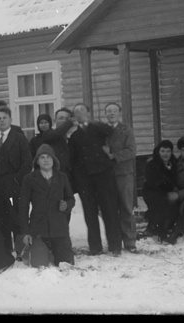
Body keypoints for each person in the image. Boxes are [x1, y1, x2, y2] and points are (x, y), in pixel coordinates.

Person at [69, 103, 122, 256]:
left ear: (88, 112)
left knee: (109, 210)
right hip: (85, 178)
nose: (79, 113)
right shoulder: (74, 136)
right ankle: (95, 247)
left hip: (103, 175)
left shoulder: (98, 128)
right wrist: (78, 180)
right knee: (89, 213)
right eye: (76, 112)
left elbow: (109, 130)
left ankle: (115, 246)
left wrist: (91, 121)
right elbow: (73, 160)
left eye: (82, 110)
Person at [0, 106, 33, 257]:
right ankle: (6, 251)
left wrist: (16, 179)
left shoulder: (19, 138)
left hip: (14, 186)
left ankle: (21, 251)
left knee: (17, 217)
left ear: (10, 119)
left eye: (4, 118)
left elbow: (27, 163)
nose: (2, 121)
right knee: (2, 219)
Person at [20, 144, 75, 266]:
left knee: (66, 264)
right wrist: (26, 232)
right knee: (39, 266)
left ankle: (54, 253)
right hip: (39, 230)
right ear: (37, 162)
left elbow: (71, 198)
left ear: (54, 160)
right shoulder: (29, 179)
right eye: (42, 157)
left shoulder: (62, 177)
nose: (46, 160)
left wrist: (66, 205)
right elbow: (23, 207)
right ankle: (38, 251)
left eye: (49, 157)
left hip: (59, 230)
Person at [104, 102, 138, 253]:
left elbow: (131, 151)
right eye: (109, 111)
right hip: (107, 174)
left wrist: (113, 156)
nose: (111, 113)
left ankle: (130, 241)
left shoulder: (126, 130)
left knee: (126, 206)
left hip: (123, 173)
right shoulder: (102, 130)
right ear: (105, 114)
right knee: (110, 209)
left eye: (114, 111)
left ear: (119, 113)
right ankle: (114, 242)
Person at [142, 140, 178, 242]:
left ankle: (153, 225)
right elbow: (153, 182)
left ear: (171, 152)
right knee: (159, 204)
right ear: (158, 152)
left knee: (172, 204)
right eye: (162, 151)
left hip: (166, 190)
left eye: (168, 151)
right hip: (151, 191)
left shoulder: (174, 163)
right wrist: (168, 184)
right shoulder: (152, 163)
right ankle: (162, 233)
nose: (165, 154)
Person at [42, 108, 78, 195]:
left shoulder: (75, 136)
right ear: (55, 120)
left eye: (67, 119)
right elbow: (58, 133)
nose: (64, 121)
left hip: (74, 179)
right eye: (61, 118)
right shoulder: (49, 134)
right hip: (56, 179)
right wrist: (69, 123)